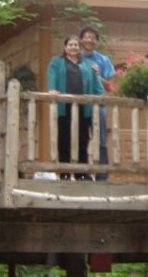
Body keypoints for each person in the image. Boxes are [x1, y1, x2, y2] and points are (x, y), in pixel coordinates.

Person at [47, 35, 104, 180]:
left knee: (83, 140)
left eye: (76, 45)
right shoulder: (56, 63)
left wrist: (99, 95)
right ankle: (65, 173)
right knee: (64, 140)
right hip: (63, 107)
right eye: (71, 45)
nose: (74, 47)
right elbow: (52, 76)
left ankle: (81, 174)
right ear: (65, 48)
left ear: (80, 48)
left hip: (83, 109)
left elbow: (98, 88)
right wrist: (52, 89)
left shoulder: (89, 65)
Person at [79, 25, 115, 181]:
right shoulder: (75, 58)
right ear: (81, 39)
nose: (90, 40)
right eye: (87, 36)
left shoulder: (103, 60)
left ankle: (102, 176)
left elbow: (109, 86)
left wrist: (97, 75)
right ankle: (84, 174)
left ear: (96, 41)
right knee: (81, 139)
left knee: (101, 140)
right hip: (79, 103)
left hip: (98, 103)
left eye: (93, 37)